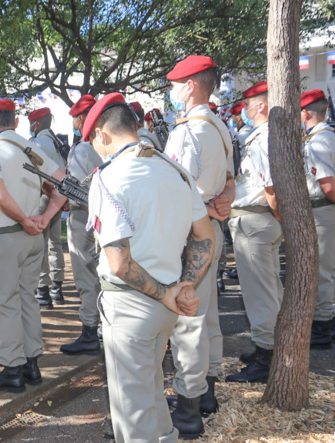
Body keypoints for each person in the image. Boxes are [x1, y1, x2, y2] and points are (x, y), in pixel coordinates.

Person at [83, 92, 213, 443]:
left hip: (132, 305)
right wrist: (182, 287)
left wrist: (169, 293)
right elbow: (205, 237)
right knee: (153, 393)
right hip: (166, 303)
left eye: (94, 141)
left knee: (133, 413)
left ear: (102, 135)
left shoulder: (108, 177)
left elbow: (119, 263)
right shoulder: (175, 170)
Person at [161, 56, 234, 431]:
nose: (171, 91)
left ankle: (188, 412)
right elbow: (230, 177)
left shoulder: (188, 131)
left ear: (190, 86)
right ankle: (207, 391)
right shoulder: (218, 124)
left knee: (188, 317)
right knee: (207, 313)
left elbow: (178, 187)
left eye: (175, 84)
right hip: (212, 224)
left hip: (191, 230)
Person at [0, 99, 66, 392]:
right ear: (15, 121)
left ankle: (12, 368)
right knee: (27, 298)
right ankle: (31, 364)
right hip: (32, 237)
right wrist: (44, 216)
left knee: (4, 302)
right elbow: (63, 183)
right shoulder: (31, 148)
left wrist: (26, 220)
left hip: (6, 236)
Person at [225, 81, 283, 384]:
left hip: (256, 221)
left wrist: (277, 215)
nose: (245, 110)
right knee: (270, 289)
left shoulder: (262, 139)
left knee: (260, 294)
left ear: (260, 105)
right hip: (261, 220)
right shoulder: (268, 136)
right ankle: (268, 347)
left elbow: (271, 186)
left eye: (248, 104)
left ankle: (266, 356)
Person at [299, 89, 335, 349]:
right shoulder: (334, 136)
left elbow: (327, 183)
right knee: (328, 268)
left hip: (324, 207)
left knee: (321, 270)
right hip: (333, 206)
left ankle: (322, 326)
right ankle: (330, 325)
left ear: (305, 112)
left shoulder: (318, 140)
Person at [59, 94, 105, 355]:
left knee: (86, 277)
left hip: (83, 216)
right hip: (104, 217)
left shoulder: (81, 149)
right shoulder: (103, 144)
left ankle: (89, 330)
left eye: (77, 118)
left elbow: (77, 190)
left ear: (81, 118)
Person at [28, 107, 67, 308]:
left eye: (31, 123)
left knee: (41, 245)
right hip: (58, 196)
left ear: (37, 124)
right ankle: (57, 288)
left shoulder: (38, 143)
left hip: (45, 195)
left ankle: (43, 290)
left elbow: (36, 172)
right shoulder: (55, 140)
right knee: (55, 243)